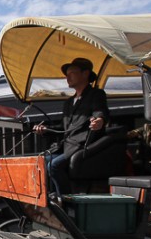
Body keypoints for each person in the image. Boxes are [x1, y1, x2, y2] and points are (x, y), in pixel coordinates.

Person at [33, 57, 109, 197]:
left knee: (54, 166)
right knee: (40, 161)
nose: (67, 78)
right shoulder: (68, 102)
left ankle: (66, 200)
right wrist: (45, 129)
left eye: (71, 73)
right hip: (67, 145)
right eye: (67, 75)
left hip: (82, 144)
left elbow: (99, 111)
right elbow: (64, 126)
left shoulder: (96, 94)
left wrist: (99, 120)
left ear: (85, 74)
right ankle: (51, 195)